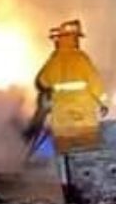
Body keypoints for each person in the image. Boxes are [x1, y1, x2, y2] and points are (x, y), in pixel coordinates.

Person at [33, 20, 109, 152]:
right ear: (73, 39)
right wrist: (103, 103)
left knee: (65, 159)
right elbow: (96, 85)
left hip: (62, 124)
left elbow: (41, 81)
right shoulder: (81, 59)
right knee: (87, 159)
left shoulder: (53, 61)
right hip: (84, 121)